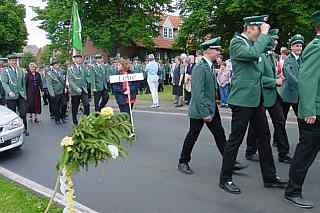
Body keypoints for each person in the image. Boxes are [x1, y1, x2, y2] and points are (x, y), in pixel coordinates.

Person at [219, 15, 287, 195]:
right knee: (235, 140)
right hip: (242, 101)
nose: (261, 33)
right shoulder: (237, 42)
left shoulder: (251, 44)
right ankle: (225, 178)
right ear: (249, 28)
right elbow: (253, 55)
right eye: (259, 29)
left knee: (264, 137)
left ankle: (270, 177)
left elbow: (257, 59)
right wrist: (265, 35)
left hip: (256, 100)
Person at [177, 37, 247, 175]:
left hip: (211, 108)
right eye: (217, 50)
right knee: (193, 135)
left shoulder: (208, 66)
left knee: (220, 135)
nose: (219, 53)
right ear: (209, 51)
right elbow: (198, 93)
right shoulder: (200, 67)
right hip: (201, 110)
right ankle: (183, 161)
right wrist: (205, 113)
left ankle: (229, 162)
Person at [284, 11, 320, 209]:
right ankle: (292, 191)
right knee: (306, 150)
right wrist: (308, 111)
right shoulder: (316, 48)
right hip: (314, 111)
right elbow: (306, 81)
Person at [245, 29, 292, 164]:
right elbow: (257, 77)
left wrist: (278, 77)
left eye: (277, 40)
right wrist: (274, 81)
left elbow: (271, 74)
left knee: (280, 122)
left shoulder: (271, 55)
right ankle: (251, 150)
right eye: (274, 39)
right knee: (255, 126)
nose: (276, 42)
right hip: (260, 95)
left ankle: (283, 153)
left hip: (272, 94)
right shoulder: (258, 54)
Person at [278, 34, 304, 122]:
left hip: (298, 95)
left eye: (300, 46)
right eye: (297, 46)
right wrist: (302, 85)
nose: (299, 48)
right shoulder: (288, 60)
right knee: (282, 120)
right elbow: (290, 77)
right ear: (292, 47)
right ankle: (280, 136)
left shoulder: (302, 59)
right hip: (287, 95)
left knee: (302, 120)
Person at [1, 54, 29, 136]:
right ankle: (14, 132)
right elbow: (4, 83)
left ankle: (25, 129)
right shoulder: (5, 71)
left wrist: (25, 94)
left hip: (21, 95)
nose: (14, 62)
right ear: (9, 61)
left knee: (23, 113)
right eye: (12, 60)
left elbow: (23, 83)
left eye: (15, 60)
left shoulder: (21, 70)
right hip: (11, 96)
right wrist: (9, 91)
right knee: (13, 115)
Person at [68, 54, 90, 125]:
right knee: (75, 106)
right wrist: (76, 88)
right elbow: (70, 80)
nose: (79, 60)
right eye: (77, 58)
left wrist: (90, 82)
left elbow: (87, 77)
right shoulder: (70, 69)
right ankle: (75, 120)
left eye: (80, 58)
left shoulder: (84, 67)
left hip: (84, 89)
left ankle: (86, 119)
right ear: (74, 60)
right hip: (75, 91)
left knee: (87, 104)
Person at [47, 60, 67, 125]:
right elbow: (49, 84)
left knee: (64, 104)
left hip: (62, 91)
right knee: (56, 107)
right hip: (55, 92)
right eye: (55, 65)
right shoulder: (50, 73)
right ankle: (57, 119)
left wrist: (66, 87)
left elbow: (65, 80)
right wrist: (52, 93)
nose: (57, 66)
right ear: (53, 66)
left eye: (57, 64)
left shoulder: (61, 71)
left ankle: (62, 116)